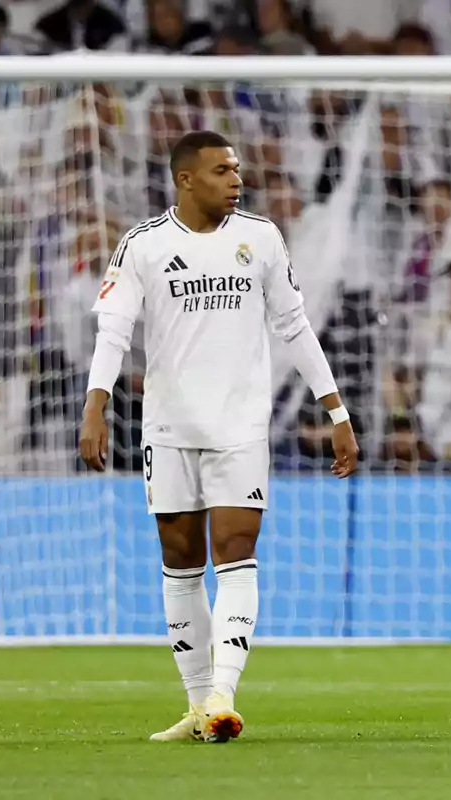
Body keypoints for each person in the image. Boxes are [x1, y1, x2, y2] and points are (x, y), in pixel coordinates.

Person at [78, 130, 359, 743]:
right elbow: (114, 332)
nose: (235, 179)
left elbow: (294, 325)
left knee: (235, 551)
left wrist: (335, 409)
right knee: (180, 562)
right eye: (221, 171)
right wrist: (95, 406)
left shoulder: (260, 237)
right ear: (185, 179)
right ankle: (197, 704)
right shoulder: (143, 246)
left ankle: (222, 694)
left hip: (240, 425)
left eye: (236, 169)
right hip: (170, 426)